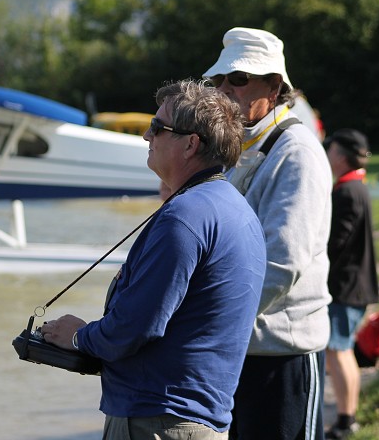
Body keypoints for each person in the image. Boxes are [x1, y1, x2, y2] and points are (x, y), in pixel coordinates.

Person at [40, 80, 268, 439]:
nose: (147, 136)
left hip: (158, 423)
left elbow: (135, 326)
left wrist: (78, 337)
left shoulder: (185, 217)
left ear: (191, 144)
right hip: (200, 421)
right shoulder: (238, 210)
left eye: (158, 127)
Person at [204, 27, 333, 440]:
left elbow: (282, 263)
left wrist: (210, 323)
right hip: (238, 350)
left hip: (284, 354)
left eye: (239, 79)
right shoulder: (238, 147)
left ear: (275, 86)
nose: (225, 89)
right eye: (219, 80)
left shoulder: (298, 152)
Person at [323, 128, 379, 439]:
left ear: (341, 157)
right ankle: (350, 414)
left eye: (331, 151)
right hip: (356, 284)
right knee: (343, 350)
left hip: (345, 285)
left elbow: (336, 242)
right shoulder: (357, 186)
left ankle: (345, 419)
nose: (327, 155)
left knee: (338, 350)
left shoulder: (345, 191)